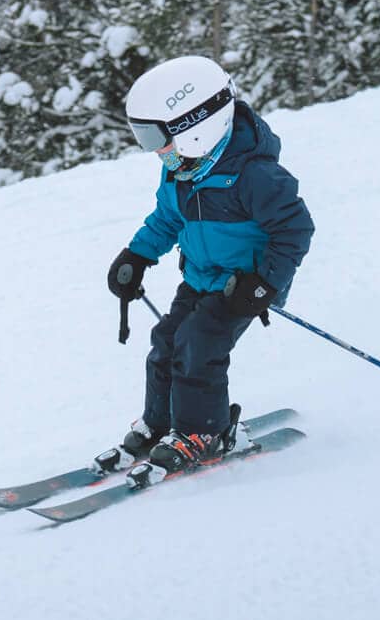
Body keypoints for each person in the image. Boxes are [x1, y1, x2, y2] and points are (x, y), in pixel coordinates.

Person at [105, 55, 314, 475]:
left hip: (243, 287)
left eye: (157, 137)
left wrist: (264, 282)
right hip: (200, 276)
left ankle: (205, 431)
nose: (155, 150)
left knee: (200, 345)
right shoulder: (181, 170)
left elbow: (295, 228)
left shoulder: (255, 176)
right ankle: (162, 422)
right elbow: (167, 219)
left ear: (194, 127)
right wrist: (138, 255)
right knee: (167, 340)